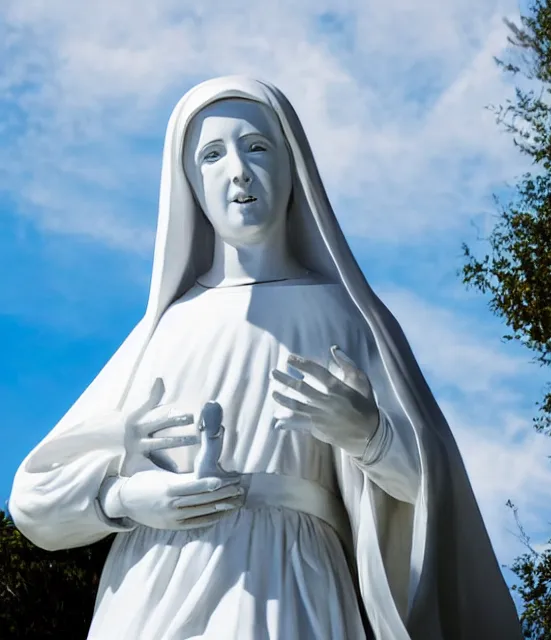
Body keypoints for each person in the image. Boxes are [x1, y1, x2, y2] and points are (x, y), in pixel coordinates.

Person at [9, 76, 523, 639]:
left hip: (291, 588)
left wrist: (368, 434)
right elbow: (34, 497)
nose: (238, 172)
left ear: (291, 165)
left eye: (256, 147)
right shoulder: (165, 330)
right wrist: (129, 498)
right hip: (152, 588)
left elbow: (428, 491)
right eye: (212, 155)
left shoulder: (341, 317)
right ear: (190, 183)